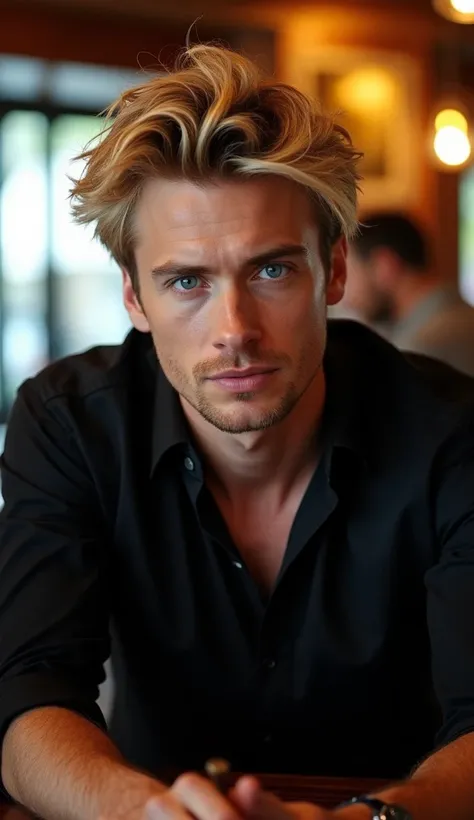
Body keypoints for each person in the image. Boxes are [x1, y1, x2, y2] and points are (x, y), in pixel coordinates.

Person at [1, 44, 474, 820]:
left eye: (272, 271)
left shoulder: (452, 432)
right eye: (187, 281)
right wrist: (141, 815)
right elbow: (27, 693)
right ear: (133, 296)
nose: (235, 331)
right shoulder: (70, 424)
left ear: (337, 269)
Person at [343, 212, 474, 375]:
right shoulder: (462, 317)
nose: (346, 298)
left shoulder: (422, 345)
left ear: (384, 266)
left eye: (349, 274)